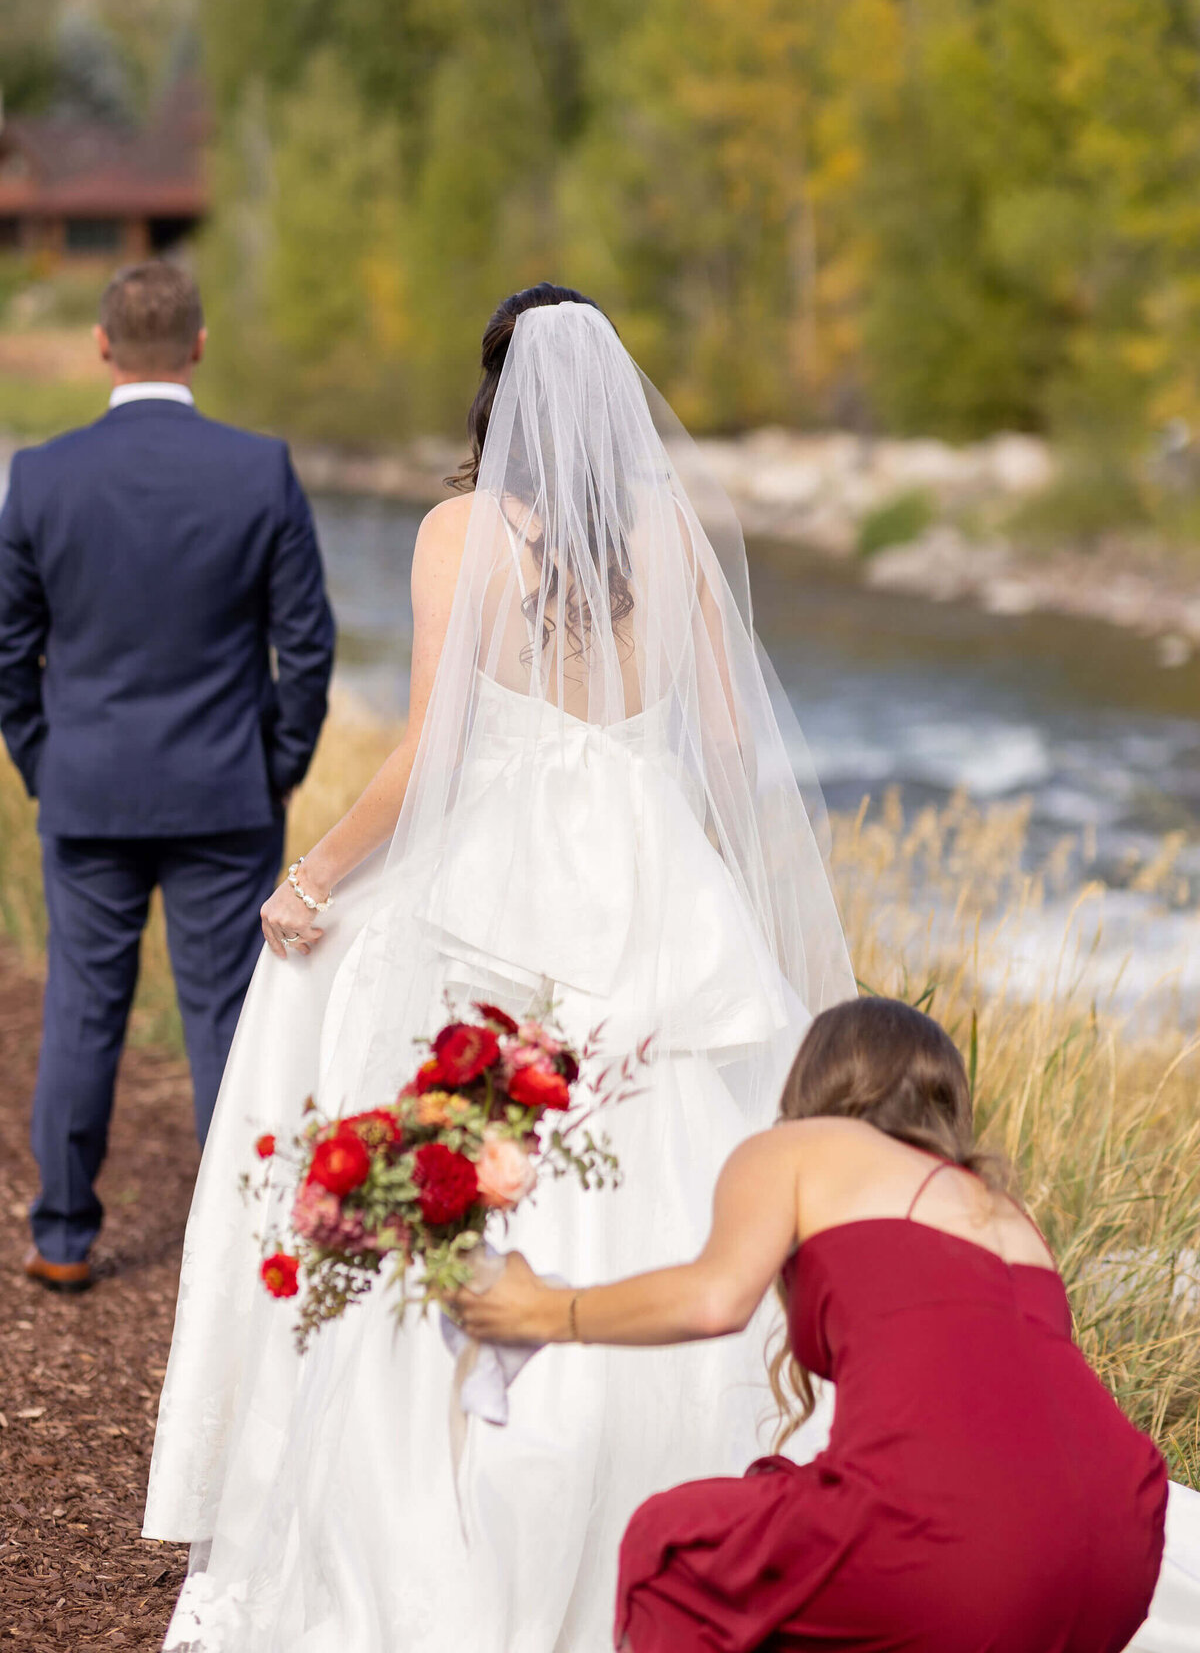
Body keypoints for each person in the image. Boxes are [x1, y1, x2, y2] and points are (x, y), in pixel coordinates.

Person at [142, 288, 857, 1651]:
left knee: (450, 1164)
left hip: (509, 884)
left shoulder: (460, 533)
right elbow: (722, 739)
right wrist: (676, 866)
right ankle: (701, 1497)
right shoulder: (673, 534)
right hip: (652, 874)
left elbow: (435, 749)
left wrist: (314, 878)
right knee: (679, 1156)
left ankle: (457, 1506)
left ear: (497, 396)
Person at [456, 997, 1170, 1653]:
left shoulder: (801, 1146)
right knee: (789, 1517)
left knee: (676, 1547)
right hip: (1119, 1547)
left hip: (955, 1536)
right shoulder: (1011, 1216)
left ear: (815, 1082)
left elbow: (715, 1300)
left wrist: (545, 1312)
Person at [0, 260, 334, 1295]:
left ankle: (61, 1233)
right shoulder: (260, 469)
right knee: (228, 1014)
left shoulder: (42, 475)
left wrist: (44, 761)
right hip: (225, 793)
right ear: (196, 346)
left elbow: (11, 650)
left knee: (84, 1008)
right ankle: (240, 1245)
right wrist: (272, 766)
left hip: (89, 788)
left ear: (102, 346)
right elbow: (308, 649)